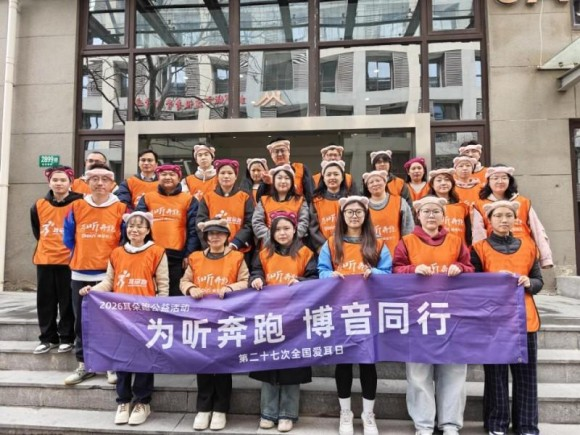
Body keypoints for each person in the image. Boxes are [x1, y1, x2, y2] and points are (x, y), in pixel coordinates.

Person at [393, 196, 474, 435]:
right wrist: (412, 269)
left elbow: (471, 268)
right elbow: (395, 270)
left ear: (443, 216)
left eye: (436, 211)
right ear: (418, 215)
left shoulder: (456, 241)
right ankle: (424, 424)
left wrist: (461, 268)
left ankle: (450, 424)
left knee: (454, 371)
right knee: (418, 372)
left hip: (451, 314)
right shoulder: (406, 242)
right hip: (417, 315)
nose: (431, 215)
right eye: (426, 211)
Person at [78, 211, 169, 426]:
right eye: (131, 226)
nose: (134, 230)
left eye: (140, 226)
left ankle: (143, 402)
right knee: (121, 357)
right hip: (120, 316)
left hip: (146, 315)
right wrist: (92, 290)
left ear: (148, 230)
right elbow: (109, 282)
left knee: (145, 359)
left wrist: (159, 310)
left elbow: (163, 285)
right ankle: (123, 400)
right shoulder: (117, 253)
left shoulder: (157, 252)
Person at [318, 195, 392, 435]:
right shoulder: (331, 243)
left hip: (368, 311)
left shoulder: (378, 244)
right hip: (341, 310)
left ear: (366, 215)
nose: (354, 215)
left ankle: (368, 414)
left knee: (368, 362)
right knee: (344, 362)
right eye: (349, 211)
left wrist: (375, 273)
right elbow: (321, 271)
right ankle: (345, 412)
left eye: (358, 211)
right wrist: (330, 276)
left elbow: (389, 272)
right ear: (342, 215)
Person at [471, 200, 543, 435]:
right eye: (498, 216)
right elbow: (472, 284)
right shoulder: (479, 248)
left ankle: (527, 425)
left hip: (525, 320)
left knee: (526, 375)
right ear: (489, 221)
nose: (504, 220)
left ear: (515, 219)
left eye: (508, 216)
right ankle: (497, 423)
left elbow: (539, 281)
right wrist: (492, 281)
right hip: (493, 321)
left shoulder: (529, 246)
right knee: (496, 375)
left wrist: (529, 282)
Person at [249, 211, 318, 433]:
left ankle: (288, 413)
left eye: (287, 228)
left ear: (295, 230)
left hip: (295, 318)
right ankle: (268, 413)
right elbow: (255, 272)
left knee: (291, 365)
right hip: (269, 317)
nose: (282, 233)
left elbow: (315, 278)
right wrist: (256, 279)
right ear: (271, 232)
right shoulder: (264, 253)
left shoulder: (306, 253)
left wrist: (300, 281)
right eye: (278, 229)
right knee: (269, 364)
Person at [180, 219, 249, 432]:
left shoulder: (237, 257)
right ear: (206, 237)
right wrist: (191, 288)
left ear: (227, 236)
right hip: (201, 318)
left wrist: (230, 287)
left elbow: (245, 281)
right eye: (210, 234)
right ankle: (203, 408)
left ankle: (220, 408)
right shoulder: (195, 257)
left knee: (222, 364)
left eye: (219, 233)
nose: (215, 237)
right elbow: (184, 281)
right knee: (203, 363)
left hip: (226, 318)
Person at [63, 163, 127, 385]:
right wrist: (81, 255)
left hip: (109, 275)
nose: (100, 183)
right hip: (80, 273)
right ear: (87, 182)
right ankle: (84, 364)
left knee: (110, 321)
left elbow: (125, 239)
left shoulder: (121, 208)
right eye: (95, 179)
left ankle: (110, 364)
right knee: (81, 322)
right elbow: (68, 237)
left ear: (112, 183)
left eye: (105, 179)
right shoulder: (76, 206)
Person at [30, 166, 83, 354]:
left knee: (67, 301)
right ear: (49, 183)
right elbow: (37, 230)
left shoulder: (79, 203)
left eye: (62, 180)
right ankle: (47, 338)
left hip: (69, 260)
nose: (59, 183)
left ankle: (66, 337)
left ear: (70, 182)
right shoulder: (39, 205)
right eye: (55, 180)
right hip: (45, 259)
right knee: (45, 301)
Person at [136, 164, 201, 295]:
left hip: (177, 257)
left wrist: (189, 253)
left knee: (174, 295)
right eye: (164, 174)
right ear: (158, 177)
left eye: (172, 174)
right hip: (150, 255)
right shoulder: (147, 198)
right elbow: (138, 226)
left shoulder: (189, 199)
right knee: (149, 293)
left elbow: (193, 230)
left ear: (179, 178)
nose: (167, 177)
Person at [472, 165, 553, 268]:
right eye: (495, 178)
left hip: (525, 253)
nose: (500, 181)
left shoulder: (523, 202)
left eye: (504, 178)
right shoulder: (480, 205)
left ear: (510, 180)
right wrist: (480, 260)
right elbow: (478, 234)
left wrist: (546, 258)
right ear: (488, 181)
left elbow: (538, 230)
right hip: (494, 255)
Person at [196, 159, 253, 253]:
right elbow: (200, 223)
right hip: (213, 250)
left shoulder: (245, 197)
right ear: (217, 176)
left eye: (230, 173)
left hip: (239, 249)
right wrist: (211, 244)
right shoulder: (207, 197)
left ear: (236, 176)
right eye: (222, 173)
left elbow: (249, 224)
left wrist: (236, 243)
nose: (226, 176)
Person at [252, 164, 310, 247]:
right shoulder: (264, 200)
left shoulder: (300, 200)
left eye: (287, 178)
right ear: (273, 181)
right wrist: (273, 237)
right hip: (269, 247)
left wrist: (290, 237)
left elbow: (304, 223)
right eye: (279, 178)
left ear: (292, 182)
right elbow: (257, 223)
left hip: (294, 247)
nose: (283, 181)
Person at [362, 170, 414, 256]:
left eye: (378, 180)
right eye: (371, 182)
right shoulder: (363, 205)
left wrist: (406, 251)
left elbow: (408, 230)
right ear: (367, 187)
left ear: (385, 182)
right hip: (371, 255)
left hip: (395, 255)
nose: (375, 184)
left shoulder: (400, 202)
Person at [309, 160, 352, 252]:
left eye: (336, 174)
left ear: (342, 177)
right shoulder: (316, 201)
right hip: (323, 249)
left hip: (348, 247)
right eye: (328, 175)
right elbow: (313, 228)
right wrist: (324, 247)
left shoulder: (350, 200)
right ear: (323, 178)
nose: (332, 177)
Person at [257, 138, 314, 203]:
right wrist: (266, 184)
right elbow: (259, 199)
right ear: (271, 155)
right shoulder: (269, 174)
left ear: (289, 152)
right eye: (276, 151)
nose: (280, 154)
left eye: (282, 150)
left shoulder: (301, 168)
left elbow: (310, 194)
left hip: (298, 207)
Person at [428, 169, 471, 246]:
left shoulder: (461, 206)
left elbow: (468, 232)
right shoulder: (426, 205)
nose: (443, 183)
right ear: (432, 184)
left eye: (447, 180)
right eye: (439, 180)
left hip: (459, 247)